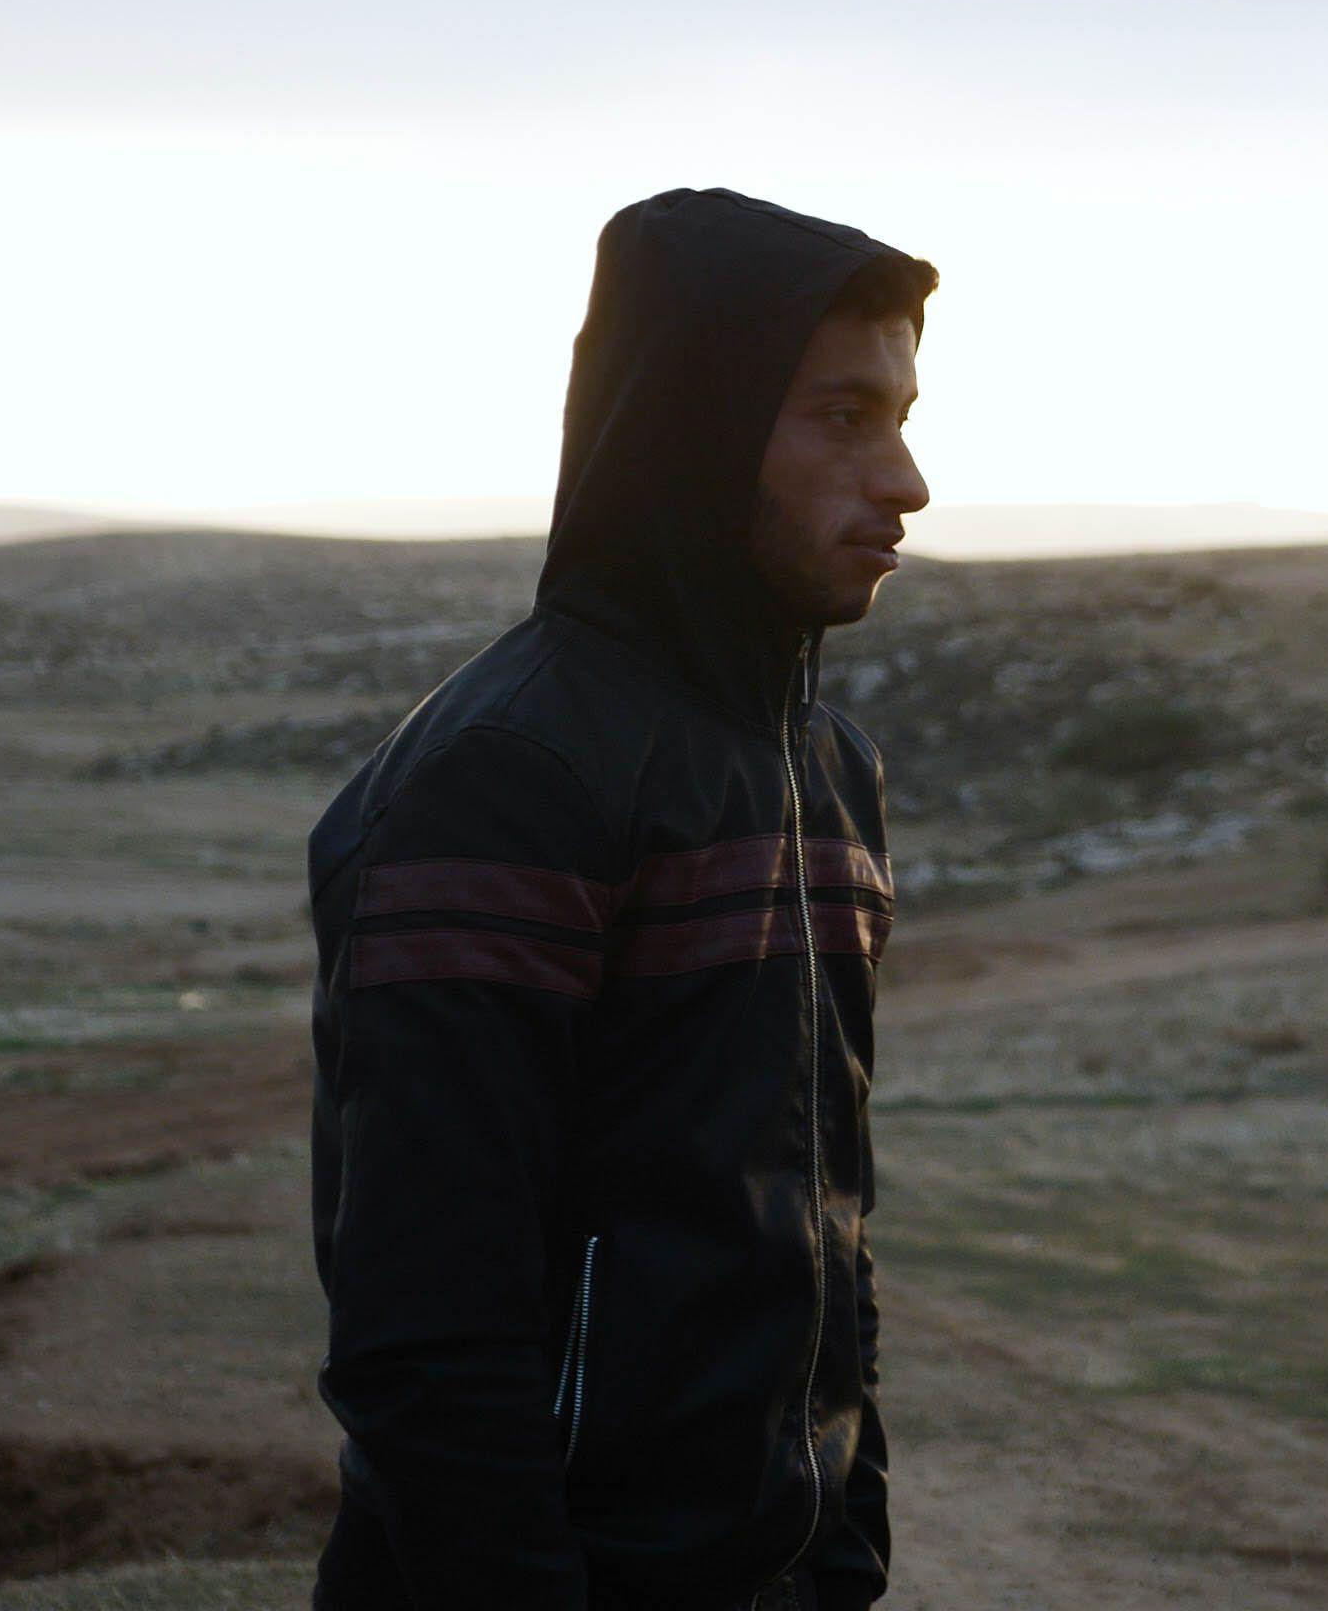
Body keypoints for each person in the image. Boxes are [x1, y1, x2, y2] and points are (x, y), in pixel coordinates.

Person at [306, 189, 935, 1611]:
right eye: (842, 419)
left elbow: (824, 1226)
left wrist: (846, 1547)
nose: (905, 480)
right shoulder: (511, 778)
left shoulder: (825, 768)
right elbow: (425, 1333)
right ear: (696, 430)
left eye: (901, 415)